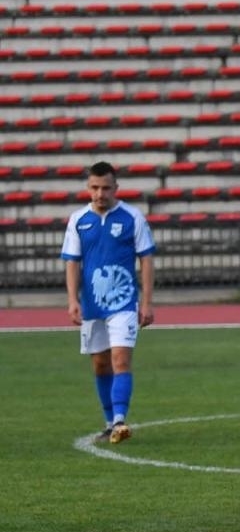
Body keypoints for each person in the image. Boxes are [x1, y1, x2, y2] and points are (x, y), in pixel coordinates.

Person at [62, 162, 155, 443]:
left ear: (116, 188)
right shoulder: (78, 220)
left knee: (120, 360)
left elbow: (147, 259)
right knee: (101, 365)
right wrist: (72, 301)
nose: (100, 193)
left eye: (105, 188)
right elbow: (72, 263)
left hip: (124, 303)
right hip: (92, 306)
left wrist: (147, 302)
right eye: (94, 187)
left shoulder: (132, 217)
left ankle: (119, 421)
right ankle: (108, 422)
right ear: (87, 188)